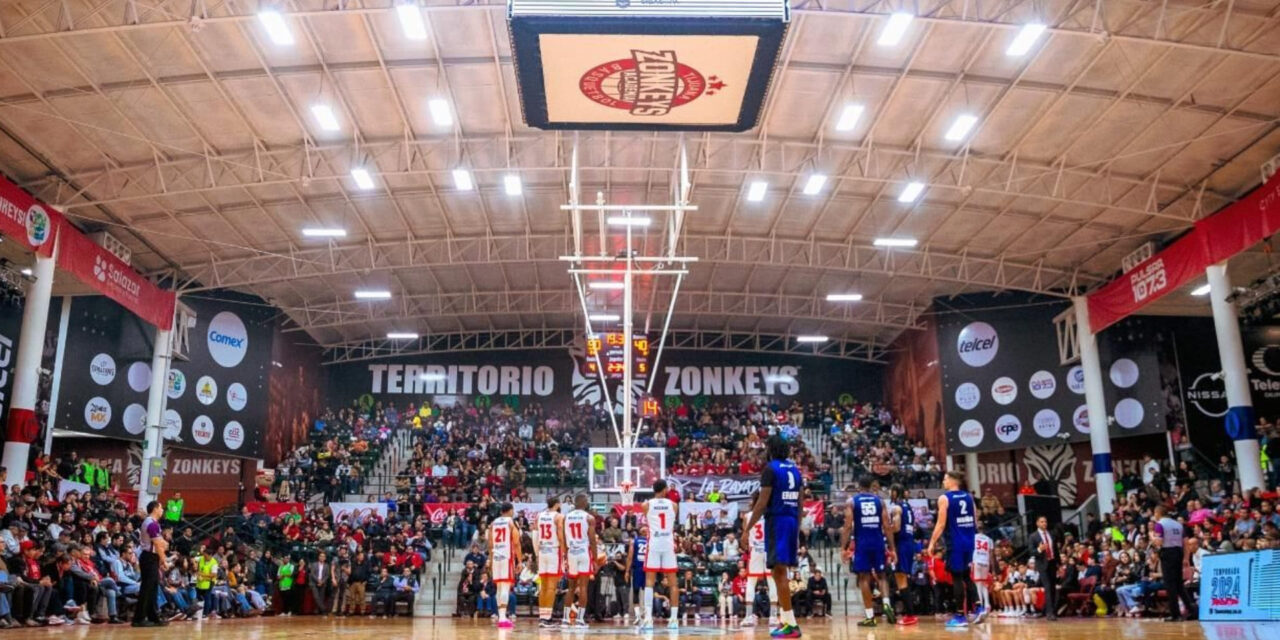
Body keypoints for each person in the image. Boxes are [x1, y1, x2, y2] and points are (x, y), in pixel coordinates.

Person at [741, 434, 804, 639]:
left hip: (777, 521)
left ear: (771, 450)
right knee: (779, 573)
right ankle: (786, 621)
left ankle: (791, 625)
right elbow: (801, 502)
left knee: (779, 571)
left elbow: (761, 503)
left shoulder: (770, 469)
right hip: (792, 520)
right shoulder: (794, 468)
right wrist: (797, 527)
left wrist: (746, 529)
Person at [842, 476, 896, 626]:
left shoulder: (852, 502)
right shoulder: (880, 501)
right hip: (878, 542)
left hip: (862, 543)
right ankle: (886, 603)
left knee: (863, 579)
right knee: (882, 576)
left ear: (859, 486)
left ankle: (870, 616)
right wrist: (892, 548)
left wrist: (843, 547)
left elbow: (847, 526)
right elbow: (887, 525)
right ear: (872, 486)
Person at [927, 471, 977, 629]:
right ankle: (979, 607)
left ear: (953, 480)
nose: (943, 481)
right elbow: (975, 519)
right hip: (969, 540)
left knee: (956, 578)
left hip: (955, 542)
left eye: (945, 479)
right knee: (966, 576)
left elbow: (941, 524)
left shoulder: (944, 498)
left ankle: (960, 615)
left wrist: (932, 542)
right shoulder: (969, 497)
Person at [640, 480, 679, 630]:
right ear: (664, 489)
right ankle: (674, 619)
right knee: (673, 582)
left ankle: (648, 619)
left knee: (649, 581)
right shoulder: (674, 505)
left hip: (654, 544)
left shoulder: (646, 505)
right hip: (668, 544)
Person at [1152, 505, 1196, 621]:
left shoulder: (1160, 524)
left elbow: (1159, 542)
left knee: (1170, 585)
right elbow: (1186, 543)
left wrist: (1152, 537)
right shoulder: (1178, 524)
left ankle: (1175, 614)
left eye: (1154, 513)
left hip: (1167, 553)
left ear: (1158, 513)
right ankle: (1192, 610)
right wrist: (1186, 558)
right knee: (1179, 584)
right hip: (1179, 552)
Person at [740, 491, 777, 628]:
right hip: (769, 550)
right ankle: (773, 617)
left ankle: (749, 616)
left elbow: (744, 537)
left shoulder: (748, 516)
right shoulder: (771, 515)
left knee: (751, 582)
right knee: (772, 581)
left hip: (755, 550)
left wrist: (746, 547)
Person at [564, 493, 597, 628]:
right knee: (583, 587)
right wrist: (595, 559)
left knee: (571, 588)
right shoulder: (589, 517)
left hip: (572, 552)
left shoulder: (566, 517)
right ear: (582, 502)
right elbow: (592, 540)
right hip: (583, 552)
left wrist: (565, 555)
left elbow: (563, 538)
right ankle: (579, 620)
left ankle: (565, 619)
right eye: (587, 500)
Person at [888, 484, 919, 625]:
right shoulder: (908, 507)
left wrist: (885, 530)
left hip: (901, 544)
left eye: (890, 491)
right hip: (909, 542)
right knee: (902, 578)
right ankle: (910, 613)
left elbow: (896, 527)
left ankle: (910, 615)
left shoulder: (896, 508)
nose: (890, 493)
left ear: (895, 492)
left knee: (900, 579)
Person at [132, 500, 166, 628]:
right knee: (147, 588)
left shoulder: (152, 523)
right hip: (149, 557)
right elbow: (158, 544)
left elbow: (161, 542)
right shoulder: (151, 524)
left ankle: (153, 616)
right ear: (155, 508)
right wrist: (164, 560)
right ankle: (139, 618)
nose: (162, 510)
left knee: (153, 588)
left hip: (151, 557)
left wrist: (163, 546)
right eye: (161, 507)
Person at [488, 502, 521, 629]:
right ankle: (502, 618)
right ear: (510, 510)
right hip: (507, 557)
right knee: (505, 587)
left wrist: (490, 561)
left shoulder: (493, 523)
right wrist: (519, 560)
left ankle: (501, 616)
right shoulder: (511, 522)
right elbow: (517, 543)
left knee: (499, 588)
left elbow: (490, 545)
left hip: (496, 557)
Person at [535, 496, 566, 629]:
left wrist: (537, 553)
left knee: (544, 586)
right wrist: (564, 551)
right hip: (553, 551)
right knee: (552, 587)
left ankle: (542, 616)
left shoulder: (539, 515)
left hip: (542, 550)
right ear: (557, 504)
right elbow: (560, 535)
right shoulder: (559, 516)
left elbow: (535, 534)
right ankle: (547, 618)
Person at [1030, 515, 1059, 620]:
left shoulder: (1051, 534)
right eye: (1042, 522)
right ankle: (1049, 613)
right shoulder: (1033, 536)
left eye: (1045, 522)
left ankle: (1047, 610)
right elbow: (1031, 552)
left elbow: (1056, 550)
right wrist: (1039, 549)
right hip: (1042, 564)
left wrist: (1058, 564)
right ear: (1037, 523)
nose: (1044, 524)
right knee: (1047, 587)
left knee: (1052, 588)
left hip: (1052, 563)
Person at [625, 526, 649, 623]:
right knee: (648, 591)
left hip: (638, 569)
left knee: (636, 592)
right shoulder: (650, 541)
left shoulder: (634, 541)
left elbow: (630, 557)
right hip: (648, 568)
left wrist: (627, 571)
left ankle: (638, 615)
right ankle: (647, 615)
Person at [972, 524, 994, 623]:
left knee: (978, 584)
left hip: (977, 561)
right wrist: (992, 567)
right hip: (986, 562)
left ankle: (980, 606)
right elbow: (991, 554)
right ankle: (987, 604)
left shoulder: (974, 537)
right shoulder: (989, 540)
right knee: (984, 583)